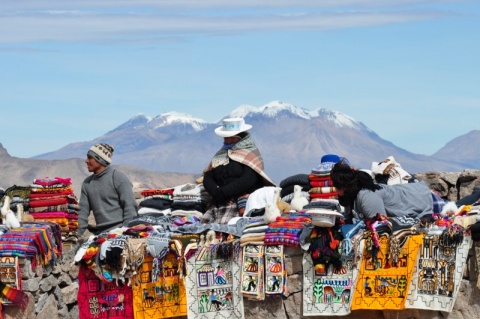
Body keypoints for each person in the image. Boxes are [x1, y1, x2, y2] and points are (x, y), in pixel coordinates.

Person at [330, 160, 480, 228]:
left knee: (457, 209)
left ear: (344, 187)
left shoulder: (366, 196)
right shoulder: (357, 196)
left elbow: (381, 224)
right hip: (417, 196)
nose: (336, 192)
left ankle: (477, 194)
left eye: (336, 187)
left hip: (421, 200)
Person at [201, 117, 275, 224]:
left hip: (238, 201)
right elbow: (208, 176)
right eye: (226, 138)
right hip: (218, 200)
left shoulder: (250, 154)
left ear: (242, 136)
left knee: (227, 228)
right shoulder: (221, 154)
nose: (228, 141)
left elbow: (249, 179)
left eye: (232, 138)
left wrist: (224, 192)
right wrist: (216, 192)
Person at [77, 143, 138, 237]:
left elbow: (130, 207)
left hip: (120, 232)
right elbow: (82, 213)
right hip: (101, 234)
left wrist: (125, 233)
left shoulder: (118, 178)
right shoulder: (87, 183)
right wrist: (74, 236)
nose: (86, 161)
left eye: (89, 158)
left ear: (99, 159)